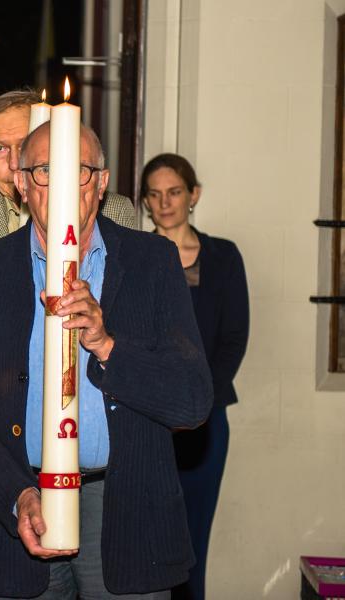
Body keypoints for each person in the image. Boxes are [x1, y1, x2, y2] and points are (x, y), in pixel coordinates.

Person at [0, 122, 213, 599]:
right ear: (22, 183)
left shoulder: (153, 263)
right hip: (21, 505)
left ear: (101, 183)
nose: (63, 184)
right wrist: (15, 495)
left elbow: (191, 402)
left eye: (79, 171)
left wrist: (108, 345)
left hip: (124, 506)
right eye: (45, 170)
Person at [0, 88, 136, 599]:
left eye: (26, 145)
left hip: (105, 462)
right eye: (1, 148)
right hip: (5, 466)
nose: (16, 160)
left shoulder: (116, 214)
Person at [141, 153, 249, 600]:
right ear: (146, 202)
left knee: (193, 542)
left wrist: (199, 401)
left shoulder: (222, 256)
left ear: (194, 195)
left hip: (205, 422)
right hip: (146, 419)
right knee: (146, 542)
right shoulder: (135, 255)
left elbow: (234, 337)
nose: (165, 202)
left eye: (174, 192)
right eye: (154, 194)